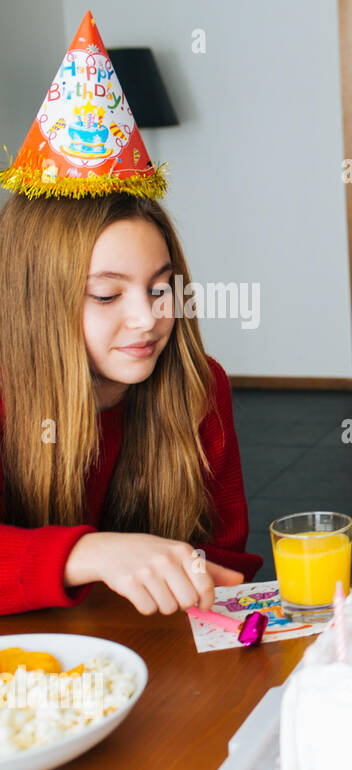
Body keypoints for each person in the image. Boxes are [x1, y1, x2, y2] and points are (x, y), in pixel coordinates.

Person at [0, 15, 260, 616]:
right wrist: (90, 554)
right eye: (107, 296)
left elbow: (227, 560)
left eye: (161, 287)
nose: (148, 319)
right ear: (39, 300)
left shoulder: (200, 386)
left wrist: (199, 575)